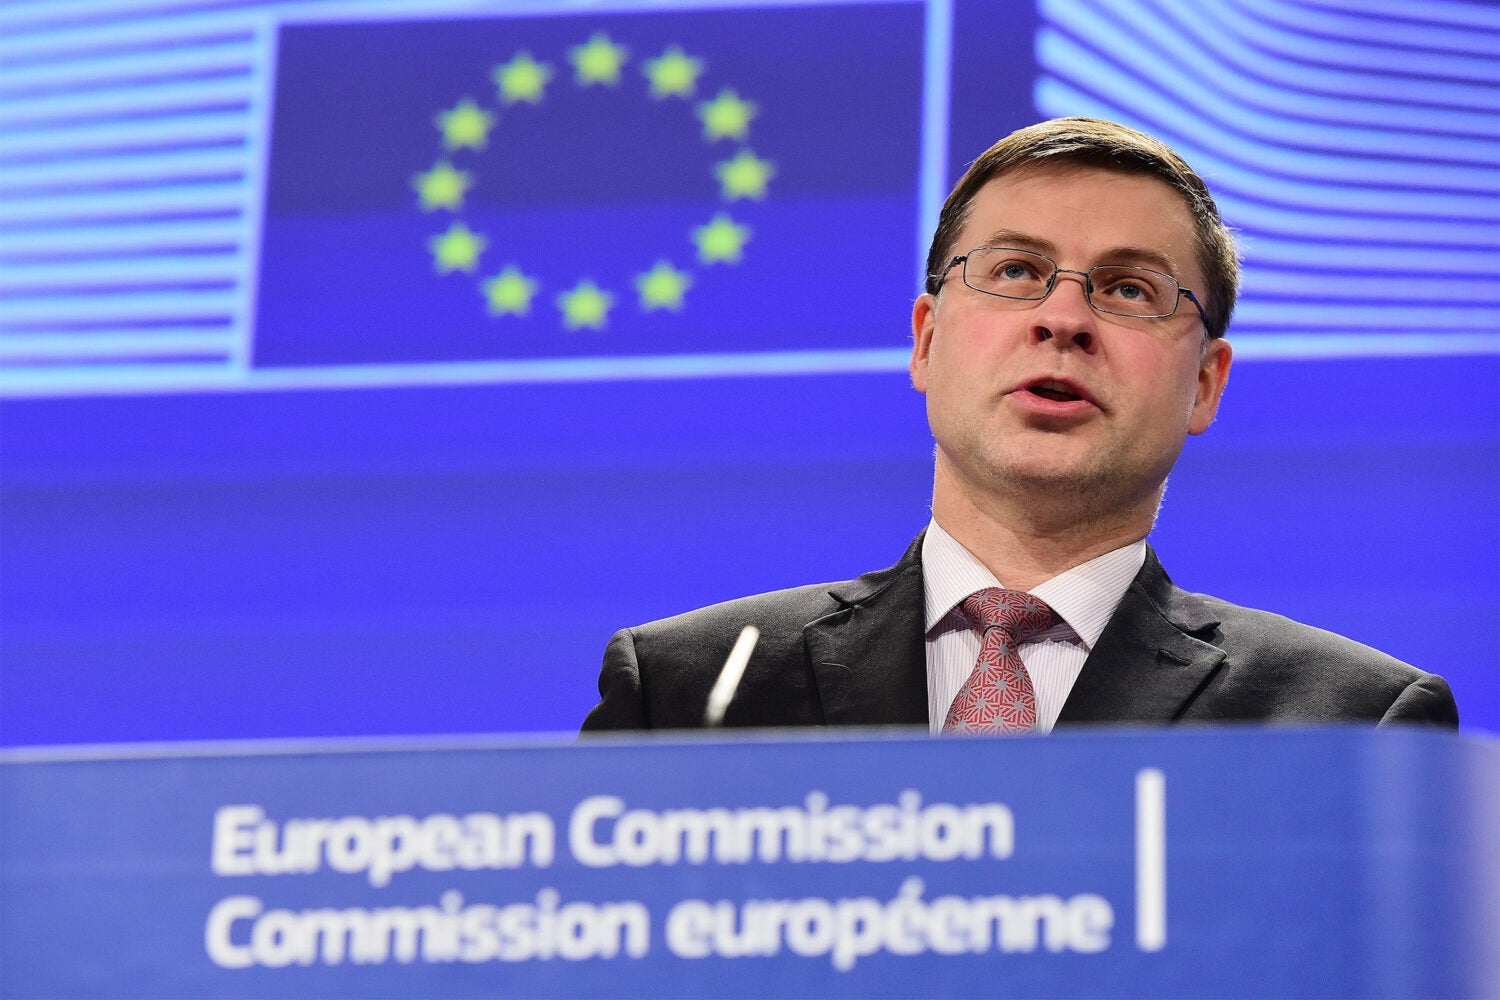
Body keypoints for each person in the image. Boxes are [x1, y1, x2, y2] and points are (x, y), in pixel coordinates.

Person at [580, 117, 1458, 733]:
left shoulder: (1351, 725)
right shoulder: (692, 695)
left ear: (1204, 383)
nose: (1064, 318)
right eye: (1014, 270)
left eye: (1129, 289)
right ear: (927, 340)